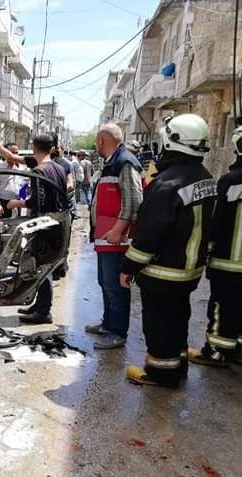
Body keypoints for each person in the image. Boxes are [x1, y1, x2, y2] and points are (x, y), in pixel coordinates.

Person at [120, 114, 216, 387]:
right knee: (178, 317)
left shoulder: (166, 184)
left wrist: (128, 267)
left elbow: (148, 235)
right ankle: (178, 365)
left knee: (159, 323)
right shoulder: (207, 179)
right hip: (190, 271)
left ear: (171, 141)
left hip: (163, 273)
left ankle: (161, 373)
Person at [0, 133, 67, 324]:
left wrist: (16, 203)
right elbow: (13, 157)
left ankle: (43, 312)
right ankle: (39, 305)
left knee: (41, 268)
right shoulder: (57, 167)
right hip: (58, 223)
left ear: (33, 148)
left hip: (44, 225)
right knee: (43, 265)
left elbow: (35, 201)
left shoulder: (39, 171)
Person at [189, 126, 242, 367]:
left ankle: (216, 352)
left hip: (229, 262)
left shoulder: (231, 182)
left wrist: (205, 253)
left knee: (223, 306)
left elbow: (215, 221)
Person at [87, 123, 143, 349]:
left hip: (117, 239)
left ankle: (118, 332)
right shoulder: (112, 162)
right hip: (106, 237)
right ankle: (108, 324)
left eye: (96, 141)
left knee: (115, 285)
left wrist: (118, 230)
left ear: (101, 140)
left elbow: (134, 200)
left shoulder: (125, 162)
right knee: (105, 282)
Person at [0, 142, 23, 218]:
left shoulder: (21, 168)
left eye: (16, 153)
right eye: (11, 152)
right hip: (2, 205)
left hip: (17, 203)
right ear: (5, 153)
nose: (14, 155)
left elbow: (23, 185)